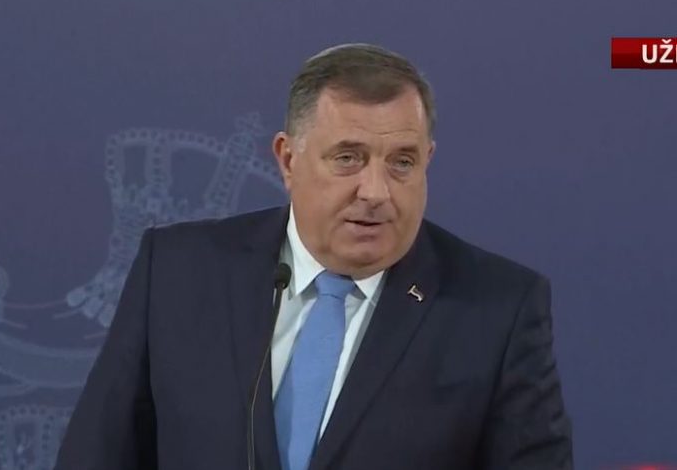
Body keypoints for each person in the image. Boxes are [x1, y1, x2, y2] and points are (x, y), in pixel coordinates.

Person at [54, 43, 573, 470]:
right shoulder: (178, 272)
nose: (376, 191)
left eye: (402, 162)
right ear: (288, 159)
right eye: (348, 158)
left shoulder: (497, 311)